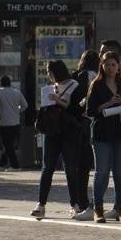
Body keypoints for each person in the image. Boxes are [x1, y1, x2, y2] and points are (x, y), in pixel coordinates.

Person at [32, 60, 88, 219]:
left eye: (50, 72)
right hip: (52, 132)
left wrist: (59, 101)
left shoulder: (75, 86)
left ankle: (74, 205)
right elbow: (44, 109)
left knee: (70, 168)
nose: (49, 75)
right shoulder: (50, 88)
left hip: (70, 133)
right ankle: (41, 205)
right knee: (47, 168)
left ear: (57, 71)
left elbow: (78, 110)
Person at [87, 51, 121, 222]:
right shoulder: (97, 85)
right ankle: (98, 208)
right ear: (102, 66)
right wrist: (109, 104)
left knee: (120, 172)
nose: (110, 68)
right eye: (107, 64)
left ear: (118, 66)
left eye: (114, 64)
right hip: (102, 134)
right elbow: (90, 111)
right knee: (102, 172)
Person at [71, 49, 99, 215]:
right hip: (90, 122)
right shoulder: (95, 77)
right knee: (86, 165)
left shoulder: (75, 76)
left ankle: (79, 200)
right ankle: (85, 200)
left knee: (77, 165)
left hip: (75, 123)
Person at [0, 76, 28, 170]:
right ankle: (2, 164)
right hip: (16, 123)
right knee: (8, 145)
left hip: (4, 124)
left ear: (0, 82)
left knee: (8, 146)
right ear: (10, 83)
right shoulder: (17, 92)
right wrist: (17, 111)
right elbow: (25, 105)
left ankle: (15, 165)